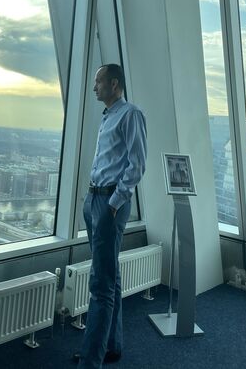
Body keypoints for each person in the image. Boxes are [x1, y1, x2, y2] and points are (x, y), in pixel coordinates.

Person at [74, 64, 147, 369]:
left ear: (114, 84)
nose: (95, 87)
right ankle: (111, 346)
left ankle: (90, 360)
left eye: (98, 82)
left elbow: (137, 164)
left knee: (100, 285)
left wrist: (114, 204)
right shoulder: (108, 116)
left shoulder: (130, 114)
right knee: (110, 277)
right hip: (95, 199)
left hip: (109, 203)